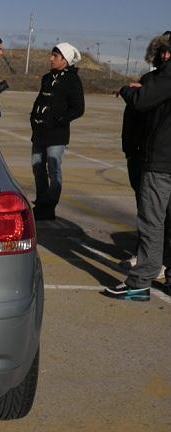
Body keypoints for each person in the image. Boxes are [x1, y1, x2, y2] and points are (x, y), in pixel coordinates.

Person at [105, 33, 171, 301]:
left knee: (152, 222)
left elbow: (142, 100)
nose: (164, 56)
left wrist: (128, 90)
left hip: (161, 162)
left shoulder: (165, 76)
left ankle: (140, 281)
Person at [30, 43, 85, 221]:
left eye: (55, 56)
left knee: (53, 170)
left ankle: (49, 205)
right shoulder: (47, 78)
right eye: (52, 55)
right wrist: (34, 118)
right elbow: (40, 100)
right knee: (37, 167)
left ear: (65, 60)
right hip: (39, 132)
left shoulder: (72, 80)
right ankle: (41, 203)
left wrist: (59, 120)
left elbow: (78, 108)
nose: (51, 59)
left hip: (56, 135)